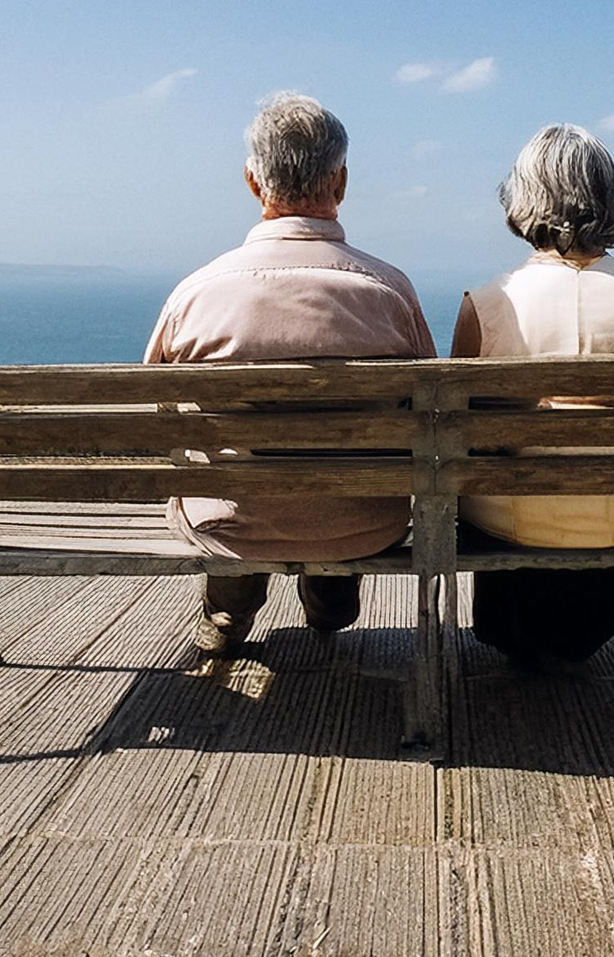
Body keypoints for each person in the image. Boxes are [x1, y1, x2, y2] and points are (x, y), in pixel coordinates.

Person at [144, 92, 435, 655]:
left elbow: (160, 410)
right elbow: (430, 408)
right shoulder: (391, 292)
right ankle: (330, 594)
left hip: (230, 522)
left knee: (234, 489)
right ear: (341, 182)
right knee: (333, 475)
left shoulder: (197, 294)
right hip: (363, 520)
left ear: (253, 182)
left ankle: (229, 609)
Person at [451, 123, 614, 670]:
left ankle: (517, 635)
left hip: (514, 517)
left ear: (524, 199)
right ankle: (582, 635)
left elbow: (460, 428)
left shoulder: (485, 304)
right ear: (610, 197)